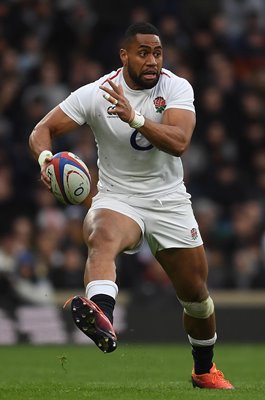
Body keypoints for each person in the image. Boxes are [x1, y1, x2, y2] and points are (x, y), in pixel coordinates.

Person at [29, 22, 234, 389]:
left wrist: (135, 118)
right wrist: (46, 159)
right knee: (102, 234)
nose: (152, 60)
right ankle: (103, 317)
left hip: (169, 200)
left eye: (157, 53)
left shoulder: (176, 87)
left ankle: (203, 369)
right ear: (124, 56)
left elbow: (180, 141)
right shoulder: (96, 93)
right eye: (143, 53)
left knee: (197, 298)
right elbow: (41, 129)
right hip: (117, 197)